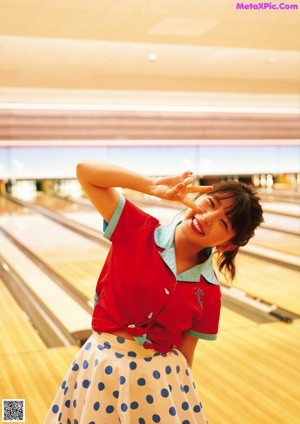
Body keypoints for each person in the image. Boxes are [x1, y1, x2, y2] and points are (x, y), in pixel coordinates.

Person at [44, 161, 263, 424]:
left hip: (158, 385)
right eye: (211, 205)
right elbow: (86, 172)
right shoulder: (137, 229)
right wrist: (151, 186)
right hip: (100, 368)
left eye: (223, 224)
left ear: (227, 244)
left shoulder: (209, 291)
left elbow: (185, 356)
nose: (206, 219)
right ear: (199, 196)